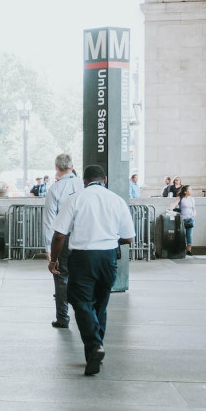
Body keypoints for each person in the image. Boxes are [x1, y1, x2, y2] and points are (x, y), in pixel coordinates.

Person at [48, 164, 135, 376]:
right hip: (108, 258)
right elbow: (129, 237)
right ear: (104, 179)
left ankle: (95, 344)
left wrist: (54, 260)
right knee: (100, 305)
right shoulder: (117, 201)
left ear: (84, 181)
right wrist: (109, 237)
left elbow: (60, 234)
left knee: (80, 302)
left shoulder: (76, 199)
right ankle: (96, 350)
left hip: (82, 258)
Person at [42, 153, 83, 329]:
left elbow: (49, 221)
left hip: (63, 238)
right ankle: (83, 315)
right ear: (72, 167)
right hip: (83, 238)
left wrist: (48, 248)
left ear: (56, 168)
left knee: (61, 276)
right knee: (82, 277)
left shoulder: (55, 189)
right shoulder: (83, 185)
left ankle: (62, 318)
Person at [173, 185, 196, 255]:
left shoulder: (192, 199)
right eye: (190, 189)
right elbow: (174, 204)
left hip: (190, 219)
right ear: (185, 191)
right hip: (182, 219)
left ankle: (189, 250)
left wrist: (194, 214)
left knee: (189, 235)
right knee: (182, 235)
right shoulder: (180, 198)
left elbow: (194, 208)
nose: (191, 191)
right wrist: (170, 208)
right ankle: (181, 249)